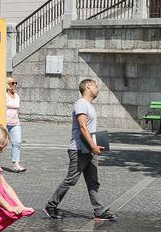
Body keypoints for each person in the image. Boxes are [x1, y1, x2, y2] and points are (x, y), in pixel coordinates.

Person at [44, 78, 116, 221]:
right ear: (88, 86)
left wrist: (94, 146)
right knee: (71, 179)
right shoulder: (81, 104)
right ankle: (51, 206)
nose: (98, 89)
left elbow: (89, 129)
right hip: (78, 149)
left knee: (93, 182)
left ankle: (99, 211)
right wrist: (93, 146)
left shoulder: (89, 105)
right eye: (95, 86)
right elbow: (83, 128)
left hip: (89, 149)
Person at [4, 76, 26, 172]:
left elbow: (17, 108)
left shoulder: (17, 96)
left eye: (16, 83)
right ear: (7, 85)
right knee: (0, 143)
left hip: (15, 123)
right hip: (3, 123)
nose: (15, 85)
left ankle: (16, 164)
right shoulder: (3, 95)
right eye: (13, 83)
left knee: (17, 142)